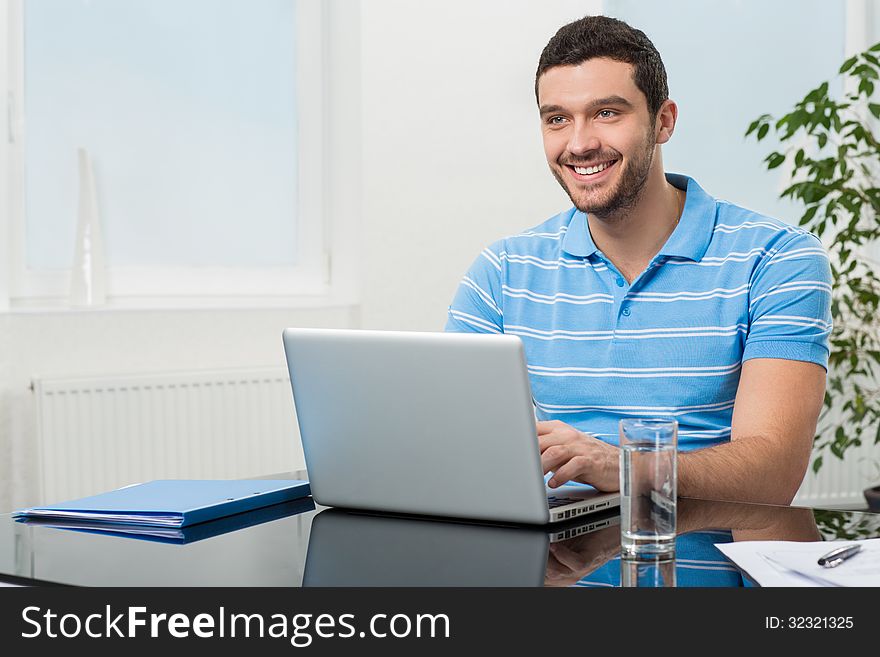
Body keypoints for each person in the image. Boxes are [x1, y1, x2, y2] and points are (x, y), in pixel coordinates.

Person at [444, 15, 831, 505]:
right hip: (553, 564)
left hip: (704, 563)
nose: (579, 143)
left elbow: (774, 474)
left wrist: (622, 466)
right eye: (557, 118)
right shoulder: (502, 271)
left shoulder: (778, 259)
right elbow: (456, 450)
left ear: (663, 121)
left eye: (607, 112)